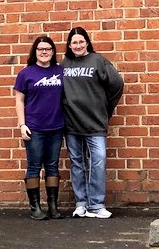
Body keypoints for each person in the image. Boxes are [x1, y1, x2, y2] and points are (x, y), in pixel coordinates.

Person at [62, 26, 124, 219]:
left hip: (96, 123)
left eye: (81, 41)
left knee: (98, 161)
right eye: (74, 42)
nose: (78, 45)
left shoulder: (98, 61)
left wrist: (105, 109)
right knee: (77, 163)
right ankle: (81, 203)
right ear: (69, 45)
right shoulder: (64, 64)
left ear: (87, 42)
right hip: (72, 123)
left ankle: (96, 205)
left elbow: (117, 84)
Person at [13, 35, 65, 220]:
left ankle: (53, 206)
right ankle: (35, 207)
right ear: (35, 52)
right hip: (34, 128)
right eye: (40, 49)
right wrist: (22, 124)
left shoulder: (60, 72)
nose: (44, 52)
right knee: (34, 166)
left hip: (56, 127)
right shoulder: (26, 74)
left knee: (52, 166)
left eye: (48, 49)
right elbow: (19, 101)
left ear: (53, 52)